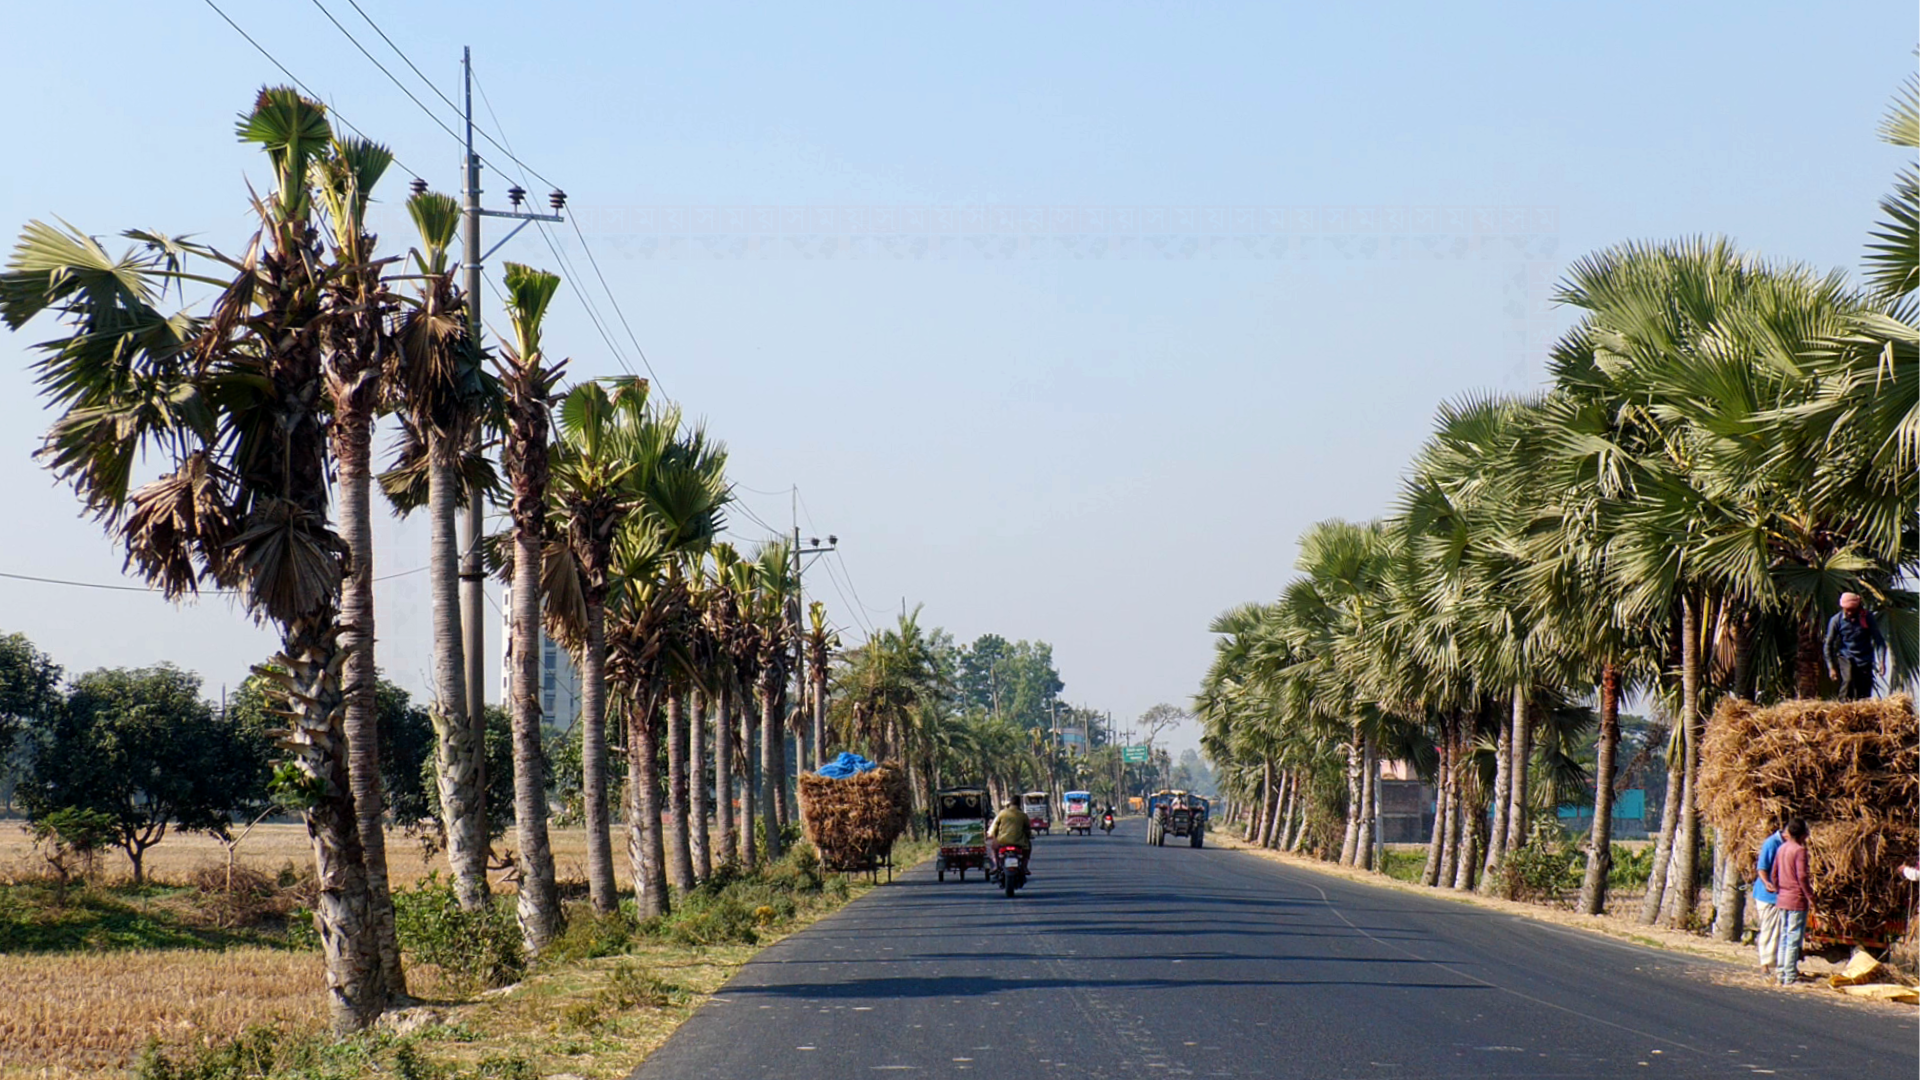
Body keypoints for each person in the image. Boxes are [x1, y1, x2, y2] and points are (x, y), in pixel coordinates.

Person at [1771, 818, 1813, 986]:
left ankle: (1780, 973)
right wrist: (1810, 896)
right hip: (1796, 899)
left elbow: (1774, 873)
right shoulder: (1799, 851)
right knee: (1794, 938)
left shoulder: (1781, 848)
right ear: (1803, 834)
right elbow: (1802, 876)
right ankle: (1789, 975)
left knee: (1784, 936)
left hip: (1783, 898)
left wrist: (1778, 889)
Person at [1824, 592, 1886, 701]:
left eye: (1852, 610)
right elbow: (1828, 644)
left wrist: (1882, 662)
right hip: (1846, 656)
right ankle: (1843, 705)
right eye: (1847, 610)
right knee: (1848, 681)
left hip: (1865, 658)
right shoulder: (1836, 620)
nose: (1849, 613)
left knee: (1864, 690)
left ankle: (1862, 707)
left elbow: (1879, 641)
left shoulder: (1866, 618)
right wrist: (1831, 667)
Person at [1751, 821, 1787, 977]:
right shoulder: (1772, 843)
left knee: (1782, 932)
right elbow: (1762, 868)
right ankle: (1765, 965)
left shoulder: (1787, 845)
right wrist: (1767, 883)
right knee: (1769, 930)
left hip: (1781, 895)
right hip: (1767, 896)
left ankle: (1781, 965)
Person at [989, 800, 1033, 876]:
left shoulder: (1002, 813)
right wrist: (1028, 836)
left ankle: (996, 865)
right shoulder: (1023, 815)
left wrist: (994, 836)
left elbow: (995, 827)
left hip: (1002, 841)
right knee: (1028, 848)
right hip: (1019, 842)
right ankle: (1024, 866)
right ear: (1019, 804)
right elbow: (1027, 829)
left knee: (994, 848)